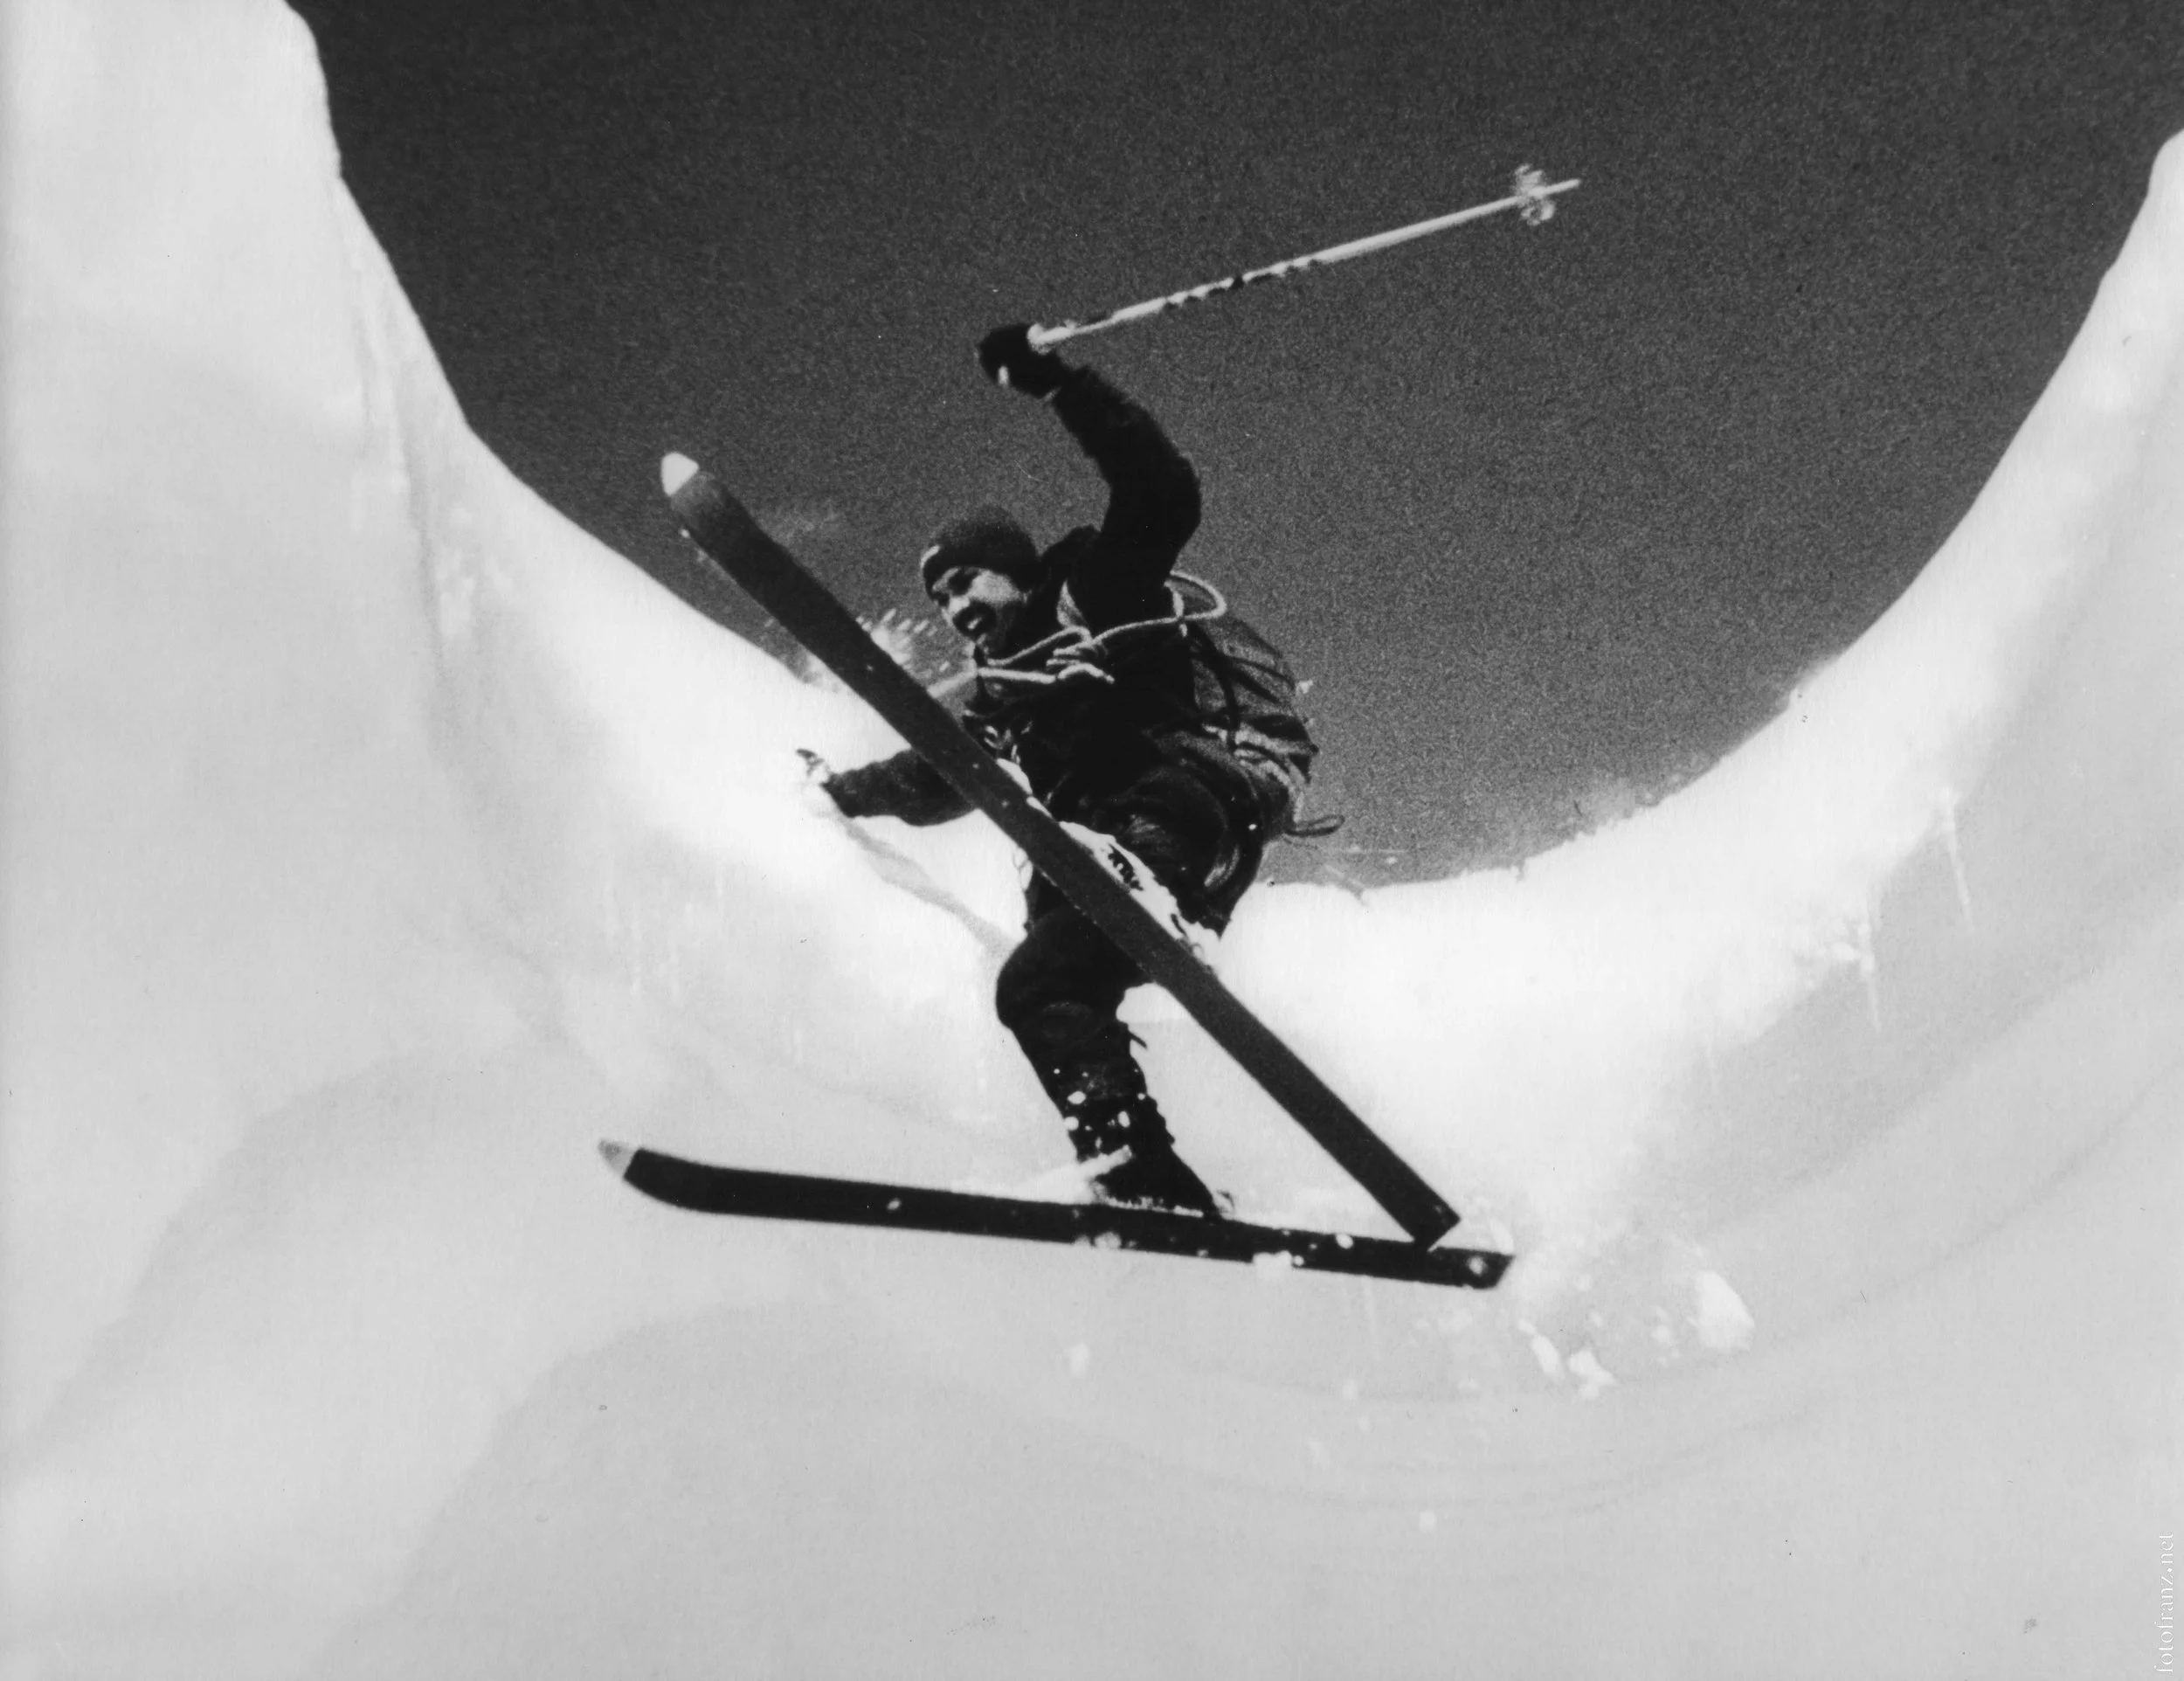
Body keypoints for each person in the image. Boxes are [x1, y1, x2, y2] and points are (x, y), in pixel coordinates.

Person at [817, 325, 1304, 1215]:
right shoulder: (1008, 694)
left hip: (1180, 812)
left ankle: (1141, 903)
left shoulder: (1095, 590)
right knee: (1038, 986)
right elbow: (940, 777)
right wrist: (839, 795)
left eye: (968, 582)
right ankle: (1141, 1177)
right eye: (943, 599)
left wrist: (1059, 385)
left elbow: (1161, 492)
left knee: (1068, 903)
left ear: (1011, 568)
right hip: (1143, 865)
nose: (958, 607)